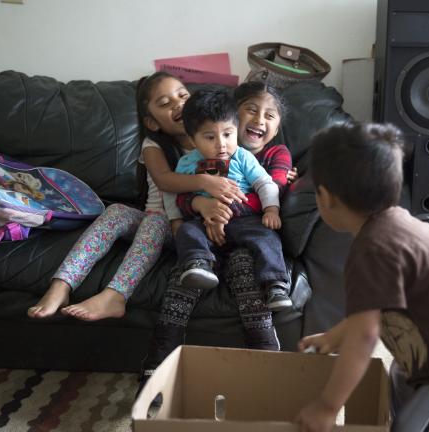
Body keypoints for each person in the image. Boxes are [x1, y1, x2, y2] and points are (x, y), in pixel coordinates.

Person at [294, 123, 429, 432]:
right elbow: (369, 314)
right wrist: (333, 337)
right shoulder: (391, 225)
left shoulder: (372, 250)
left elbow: (365, 335)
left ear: (326, 198)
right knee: (399, 384)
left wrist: (327, 406)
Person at [26, 72, 245, 321]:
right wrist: (205, 181)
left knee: (154, 221)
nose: (178, 103)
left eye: (183, 95)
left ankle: (116, 295)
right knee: (116, 211)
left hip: (188, 228)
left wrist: (282, 172)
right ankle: (61, 285)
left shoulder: (219, 138)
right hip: (156, 218)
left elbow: (253, 161)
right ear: (152, 123)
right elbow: (164, 180)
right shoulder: (153, 145)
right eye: (165, 103)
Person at [139, 81, 295, 389]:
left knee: (251, 258)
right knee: (184, 262)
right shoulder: (192, 162)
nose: (222, 143)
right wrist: (200, 205)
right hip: (203, 233)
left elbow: (270, 184)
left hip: (244, 233)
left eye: (268, 115)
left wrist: (242, 208)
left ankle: (266, 359)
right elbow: (180, 196)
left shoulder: (266, 156)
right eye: (250, 111)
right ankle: (156, 369)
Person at [166, 88, 291, 309]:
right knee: (187, 232)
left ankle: (276, 285)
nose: (221, 144)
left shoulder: (243, 156)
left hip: (245, 220)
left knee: (267, 238)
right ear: (193, 140)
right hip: (204, 220)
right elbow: (173, 192)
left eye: (227, 134)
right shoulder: (187, 163)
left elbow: (265, 183)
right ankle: (198, 264)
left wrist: (271, 209)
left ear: (235, 130)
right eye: (210, 137)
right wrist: (176, 221)